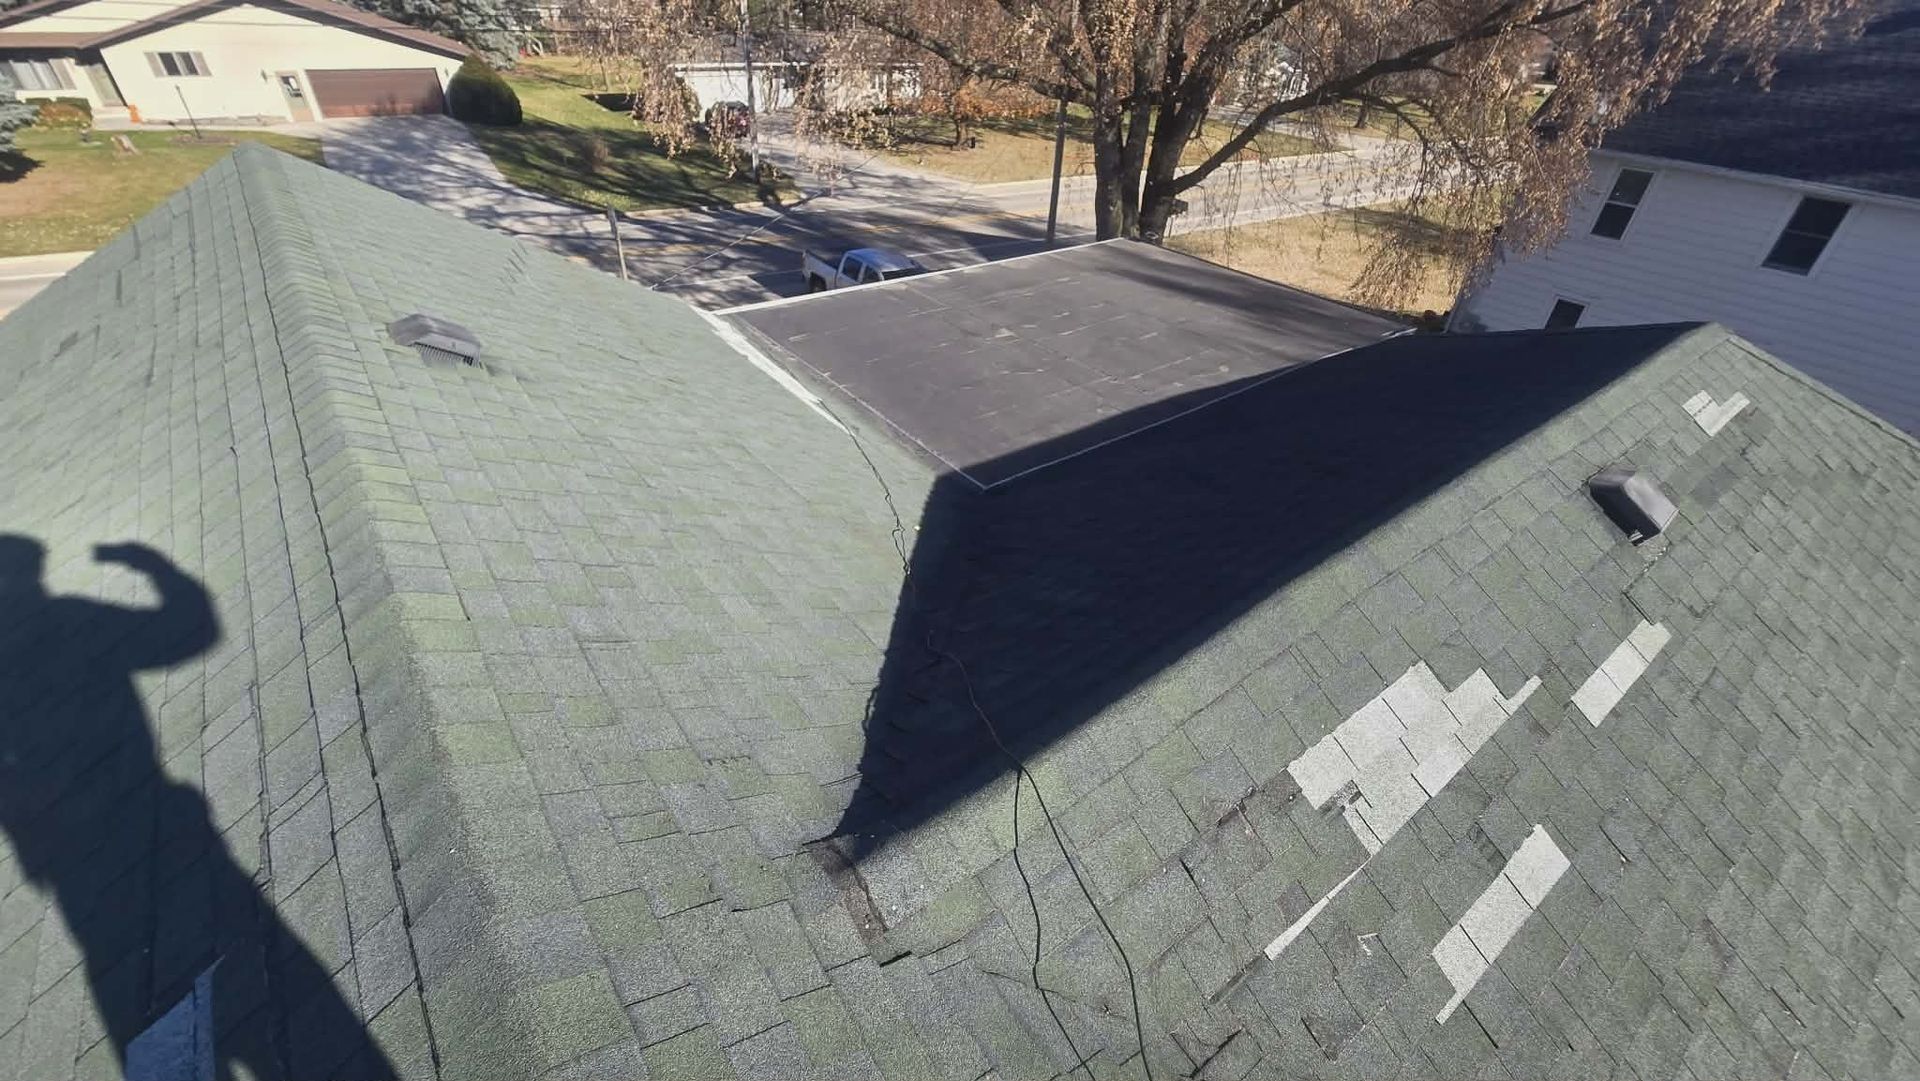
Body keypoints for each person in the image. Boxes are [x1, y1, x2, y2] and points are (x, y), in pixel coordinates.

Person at [0, 536, 395, 1080]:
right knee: (293, 999)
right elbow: (188, 631)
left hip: (66, 862)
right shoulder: (70, 619)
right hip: (130, 829)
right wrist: (156, 566)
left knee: (138, 991)